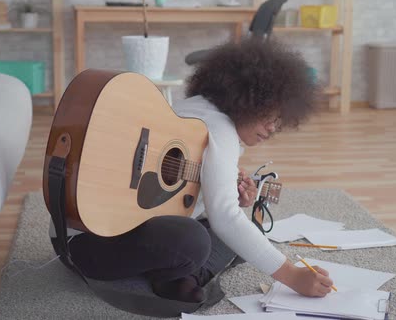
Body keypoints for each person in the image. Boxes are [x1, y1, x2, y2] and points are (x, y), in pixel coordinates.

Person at [67, 38, 334, 304]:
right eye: (269, 116)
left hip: (80, 230)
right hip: (92, 245)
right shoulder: (221, 130)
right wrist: (292, 276)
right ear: (248, 100)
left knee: (243, 234)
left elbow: (175, 200)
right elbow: (226, 219)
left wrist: (220, 193)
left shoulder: (193, 108)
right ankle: (183, 275)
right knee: (203, 238)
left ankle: (178, 272)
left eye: (279, 121)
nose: (273, 127)